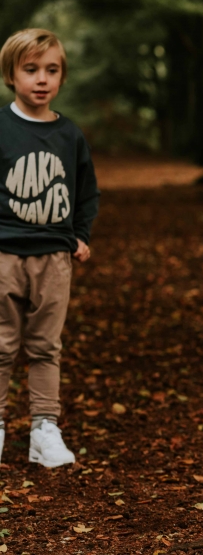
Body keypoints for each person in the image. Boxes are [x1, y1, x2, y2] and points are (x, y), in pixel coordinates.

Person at [0, 28, 100, 467]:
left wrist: (80, 234)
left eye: (52, 70)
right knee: (1, 344)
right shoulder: (1, 127)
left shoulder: (69, 135)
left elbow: (87, 193)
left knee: (45, 346)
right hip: (3, 255)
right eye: (31, 69)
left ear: (61, 77)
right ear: (11, 75)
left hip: (54, 259)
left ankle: (44, 428)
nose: (42, 79)